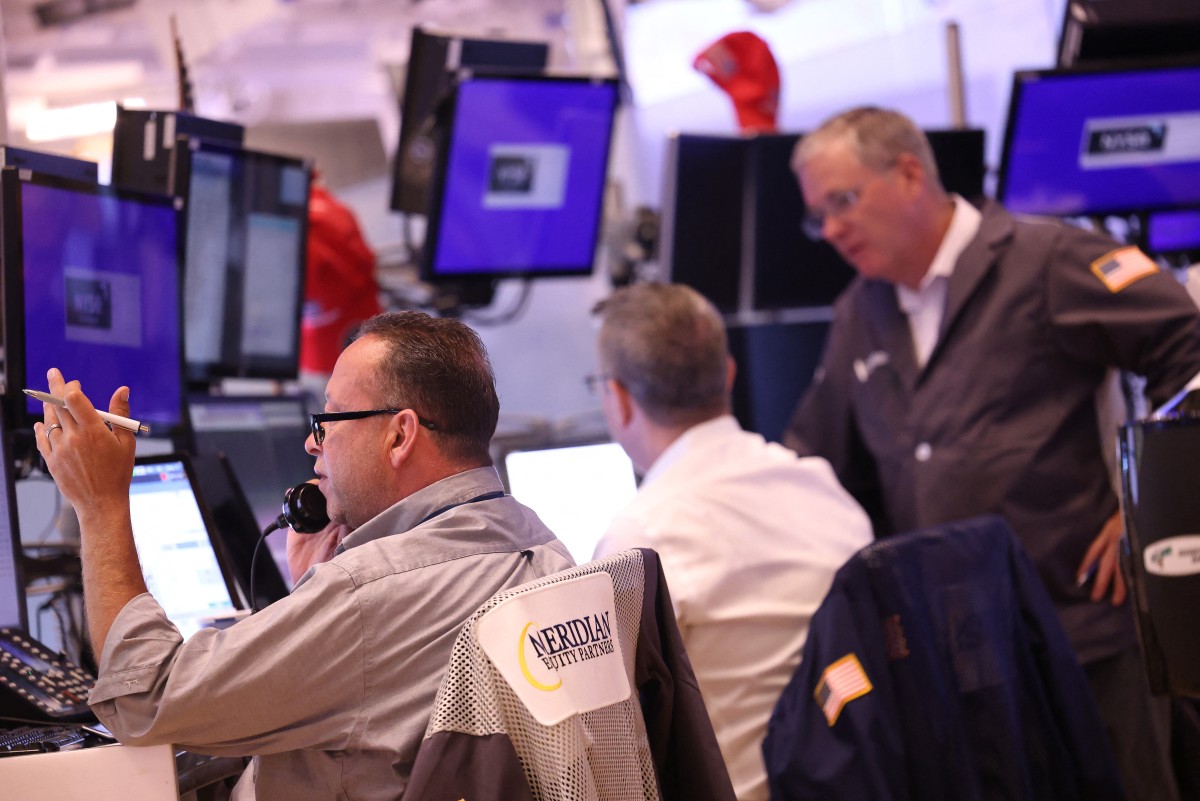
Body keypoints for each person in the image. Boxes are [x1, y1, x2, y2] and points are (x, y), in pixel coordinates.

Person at [783, 106, 1200, 800]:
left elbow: (1190, 354)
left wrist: (1148, 509)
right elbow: (816, 459)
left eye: (842, 201)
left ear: (909, 174)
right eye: (817, 214)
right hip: (955, 660)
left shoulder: (1048, 260)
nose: (829, 229)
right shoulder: (861, 310)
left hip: (1084, 631)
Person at [35, 311, 575, 801]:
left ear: (399, 435)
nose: (312, 445)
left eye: (330, 421)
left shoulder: (367, 593)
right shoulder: (544, 546)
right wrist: (316, 587)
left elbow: (146, 699)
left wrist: (102, 505)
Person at [590, 282, 873, 801]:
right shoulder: (822, 488)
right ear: (728, 373)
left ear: (620, 400)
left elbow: (607, 743)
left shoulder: (641, 541)